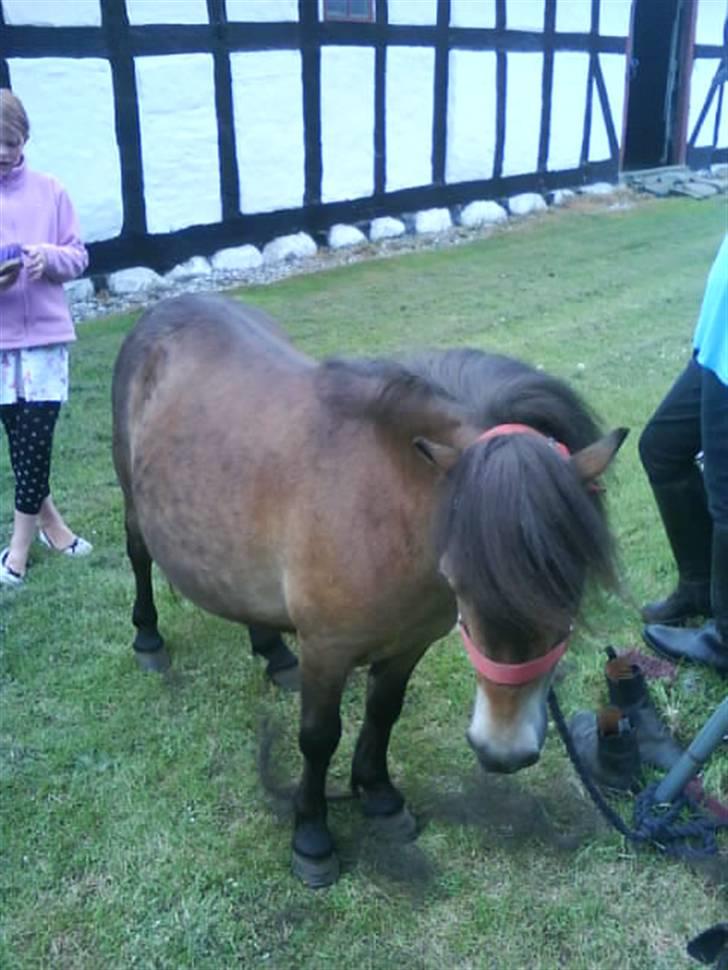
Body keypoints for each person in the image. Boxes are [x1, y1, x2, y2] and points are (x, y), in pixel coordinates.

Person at [0, 88, 92, 587]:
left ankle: (17, 546)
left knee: (36, 438)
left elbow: (77, 255)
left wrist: (46, 258)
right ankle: (53, 528)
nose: (0, 153)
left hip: (46, 341)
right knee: (23, 446)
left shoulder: (51, 190)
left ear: (24, 139)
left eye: (9, 143)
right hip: (0, 343)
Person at [640, 233, 728, 674]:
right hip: (717, 346)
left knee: (725, 499)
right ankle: (697, 588)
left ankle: (725, 640)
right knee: (661, 448)